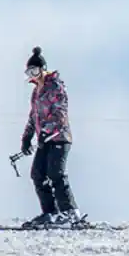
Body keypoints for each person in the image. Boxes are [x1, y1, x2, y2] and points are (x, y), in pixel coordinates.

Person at [17, 46, 82, 227]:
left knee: (56, 173)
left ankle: (70, 211)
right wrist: (27, 138)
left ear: (43, 69)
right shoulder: (36, 92)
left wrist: (47, 130)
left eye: (35, 70)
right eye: (29, 71)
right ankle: (50, 212)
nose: (33, 74)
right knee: (37, 174)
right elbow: (33, 116)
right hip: (44, 140)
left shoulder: (55, 87)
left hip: (59, 137)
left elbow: (59, 113)